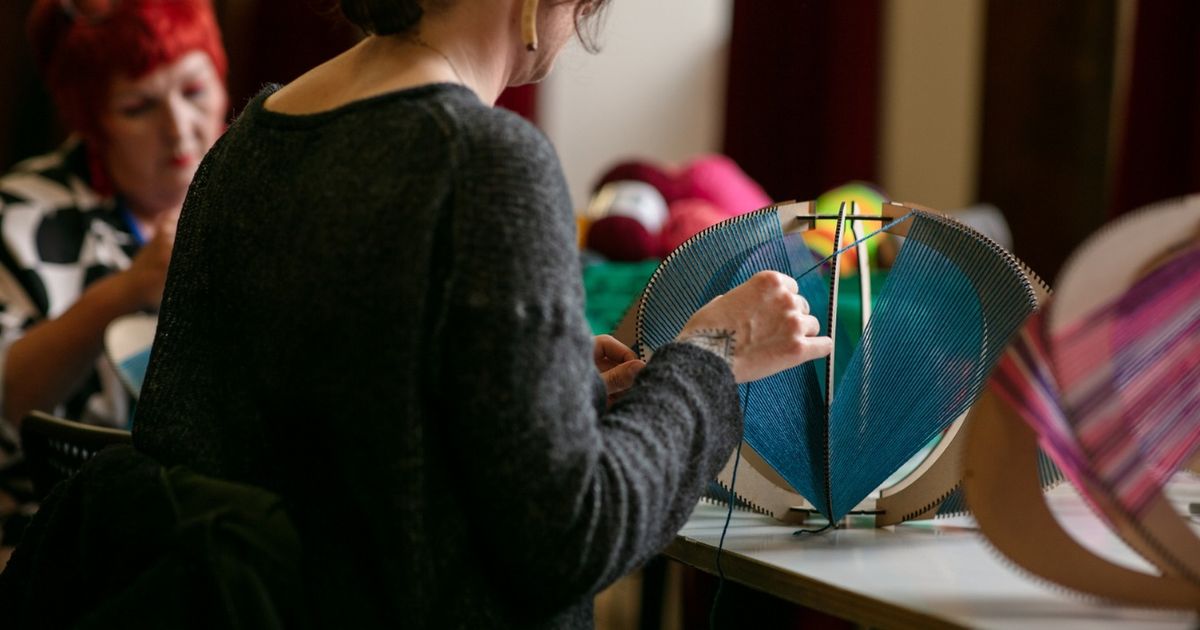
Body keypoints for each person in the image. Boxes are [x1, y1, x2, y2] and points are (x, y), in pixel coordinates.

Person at [129, 0, 832, 627]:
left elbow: (332, 434)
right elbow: (573, 535)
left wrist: (555, 384)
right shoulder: (485, 162)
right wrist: (712, 354)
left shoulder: (245, 146)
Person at [0, 0, 228, 436]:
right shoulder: (21, 217)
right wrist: (129, 288)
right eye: (139, 107)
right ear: (93, 126)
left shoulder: (262, 194)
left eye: (194, 91)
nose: (179, 128)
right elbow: (9, 404)